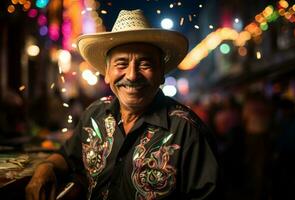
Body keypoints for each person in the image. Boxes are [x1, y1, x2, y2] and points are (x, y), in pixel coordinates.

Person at [26, 9, 219, 200]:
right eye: (121, 64)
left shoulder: (187, 130)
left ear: (161, 74)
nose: (132, 75)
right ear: (107, 73)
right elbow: (68, 156)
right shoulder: (94, 115)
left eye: (145, 64)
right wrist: (46, 167)